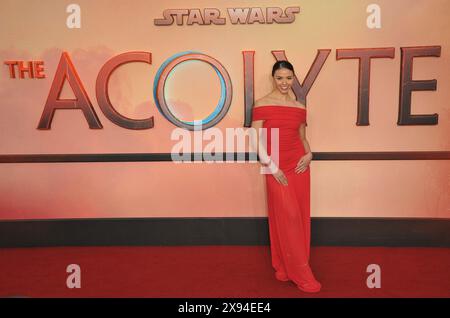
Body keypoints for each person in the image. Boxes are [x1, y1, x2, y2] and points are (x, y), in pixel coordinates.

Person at [251, 60, 321, 293]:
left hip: (299, 165)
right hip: (274, 166)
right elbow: (256, 140)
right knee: (286, 215)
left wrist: (310, 154)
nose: (284, 83)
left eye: (289, 78)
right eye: (280, 78)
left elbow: (302, 138)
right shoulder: (261, 104)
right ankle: (301, 274)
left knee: (298, 216)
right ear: (273, 78)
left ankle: (286, 266)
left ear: (293, 78)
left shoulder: (300, 107)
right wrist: (272, 166)